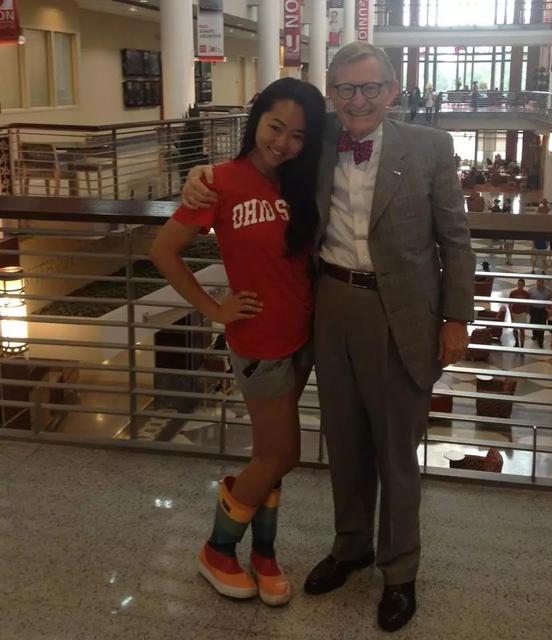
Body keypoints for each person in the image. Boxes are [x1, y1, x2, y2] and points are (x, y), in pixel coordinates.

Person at [181, 41, 474, 632]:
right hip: (332, 304)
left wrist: (455, 318)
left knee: (396, 452)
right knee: (343, 442)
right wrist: (200, 174)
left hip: (401, 314)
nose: (357, 100)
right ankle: (350, 547)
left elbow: (455, 240)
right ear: (332, 92)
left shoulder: (431, 147)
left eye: (370, 88)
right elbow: (261, 161)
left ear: (392, 91)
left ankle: (400, 571)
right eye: (345, 89)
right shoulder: (316, 141)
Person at [150, 78, 326, 608]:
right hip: (259, 341)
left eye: (298, 135)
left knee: (270, 455)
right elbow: (163, 251)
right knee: (282, 453)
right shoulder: (219, 182)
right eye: (276, 127)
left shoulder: (302, 181)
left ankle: (265, 554)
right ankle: (218, 549)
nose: (283, 143)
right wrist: (213, 309)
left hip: (303, 336)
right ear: (256, 121)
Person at [528, 278, 551, 348]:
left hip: (543, 310)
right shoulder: (531, 290)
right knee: (534, 323)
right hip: (534, 309)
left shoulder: (548, 291)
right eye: (539, 281)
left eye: (542, 282)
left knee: (542, 325)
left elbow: (549, 301)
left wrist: (549, 311)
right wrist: (529, 310)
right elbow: (528, 301)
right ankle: (535, 334)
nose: (540, 283)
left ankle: (541, 341)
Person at [509, 278, 530, 348]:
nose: (520, 286)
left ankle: (522, 346)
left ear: (524, 285)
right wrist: (511, 314)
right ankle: (517, 342)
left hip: (522, 314)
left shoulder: (526, 294)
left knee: (522, 330)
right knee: (515, 330)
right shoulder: (513, 293)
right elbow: (509, 304)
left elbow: (528, 304)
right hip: (514, 313)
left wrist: (527, 313)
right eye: (519, 284)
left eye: (521, 284)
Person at [531, 198, 550, 272]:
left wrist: (547, 242)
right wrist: (533, 243)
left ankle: (543, 270)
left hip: (543, 243)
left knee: (543, 259)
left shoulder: (548, 209)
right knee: (535, 258)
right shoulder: (539, 209)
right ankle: (533, 269)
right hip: (537, 242)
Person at [502, 197, 514, 264]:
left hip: (510, 231)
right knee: (506, 246)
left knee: (510, 245)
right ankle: (508, 259)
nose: (505, 202)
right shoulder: (504, 207)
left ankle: (509, 259)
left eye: (506, 201)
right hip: (506, 229)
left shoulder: (510, 208)